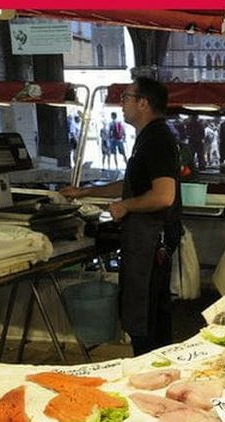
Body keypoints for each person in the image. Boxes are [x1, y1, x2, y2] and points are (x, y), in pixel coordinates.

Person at [60, 77, 182, 356]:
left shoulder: (157, 139)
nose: (121, 103)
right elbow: (131, 184)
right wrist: (85, 191)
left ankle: (150, 373)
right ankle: (153, 371)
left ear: (143, 103)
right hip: (144, 241)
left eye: (126, 97)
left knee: (146, 317)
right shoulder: (147, 138)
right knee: (146, 315)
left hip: (151, 242)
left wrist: (126, 206)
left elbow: (164, 195)